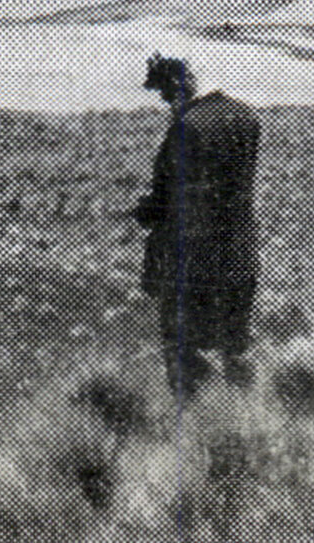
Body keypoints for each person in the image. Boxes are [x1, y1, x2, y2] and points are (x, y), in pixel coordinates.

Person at [134, 52, 260, 400]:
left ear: (178, 83)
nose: (165, 102)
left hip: (193, 259)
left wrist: (145, 211)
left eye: (164, 93)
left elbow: (168, 198)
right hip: (240, 252)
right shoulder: (246, 117)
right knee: (236, 346)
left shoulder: (186, 129)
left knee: (184, 352)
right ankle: (249, 418)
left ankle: (196, 429)